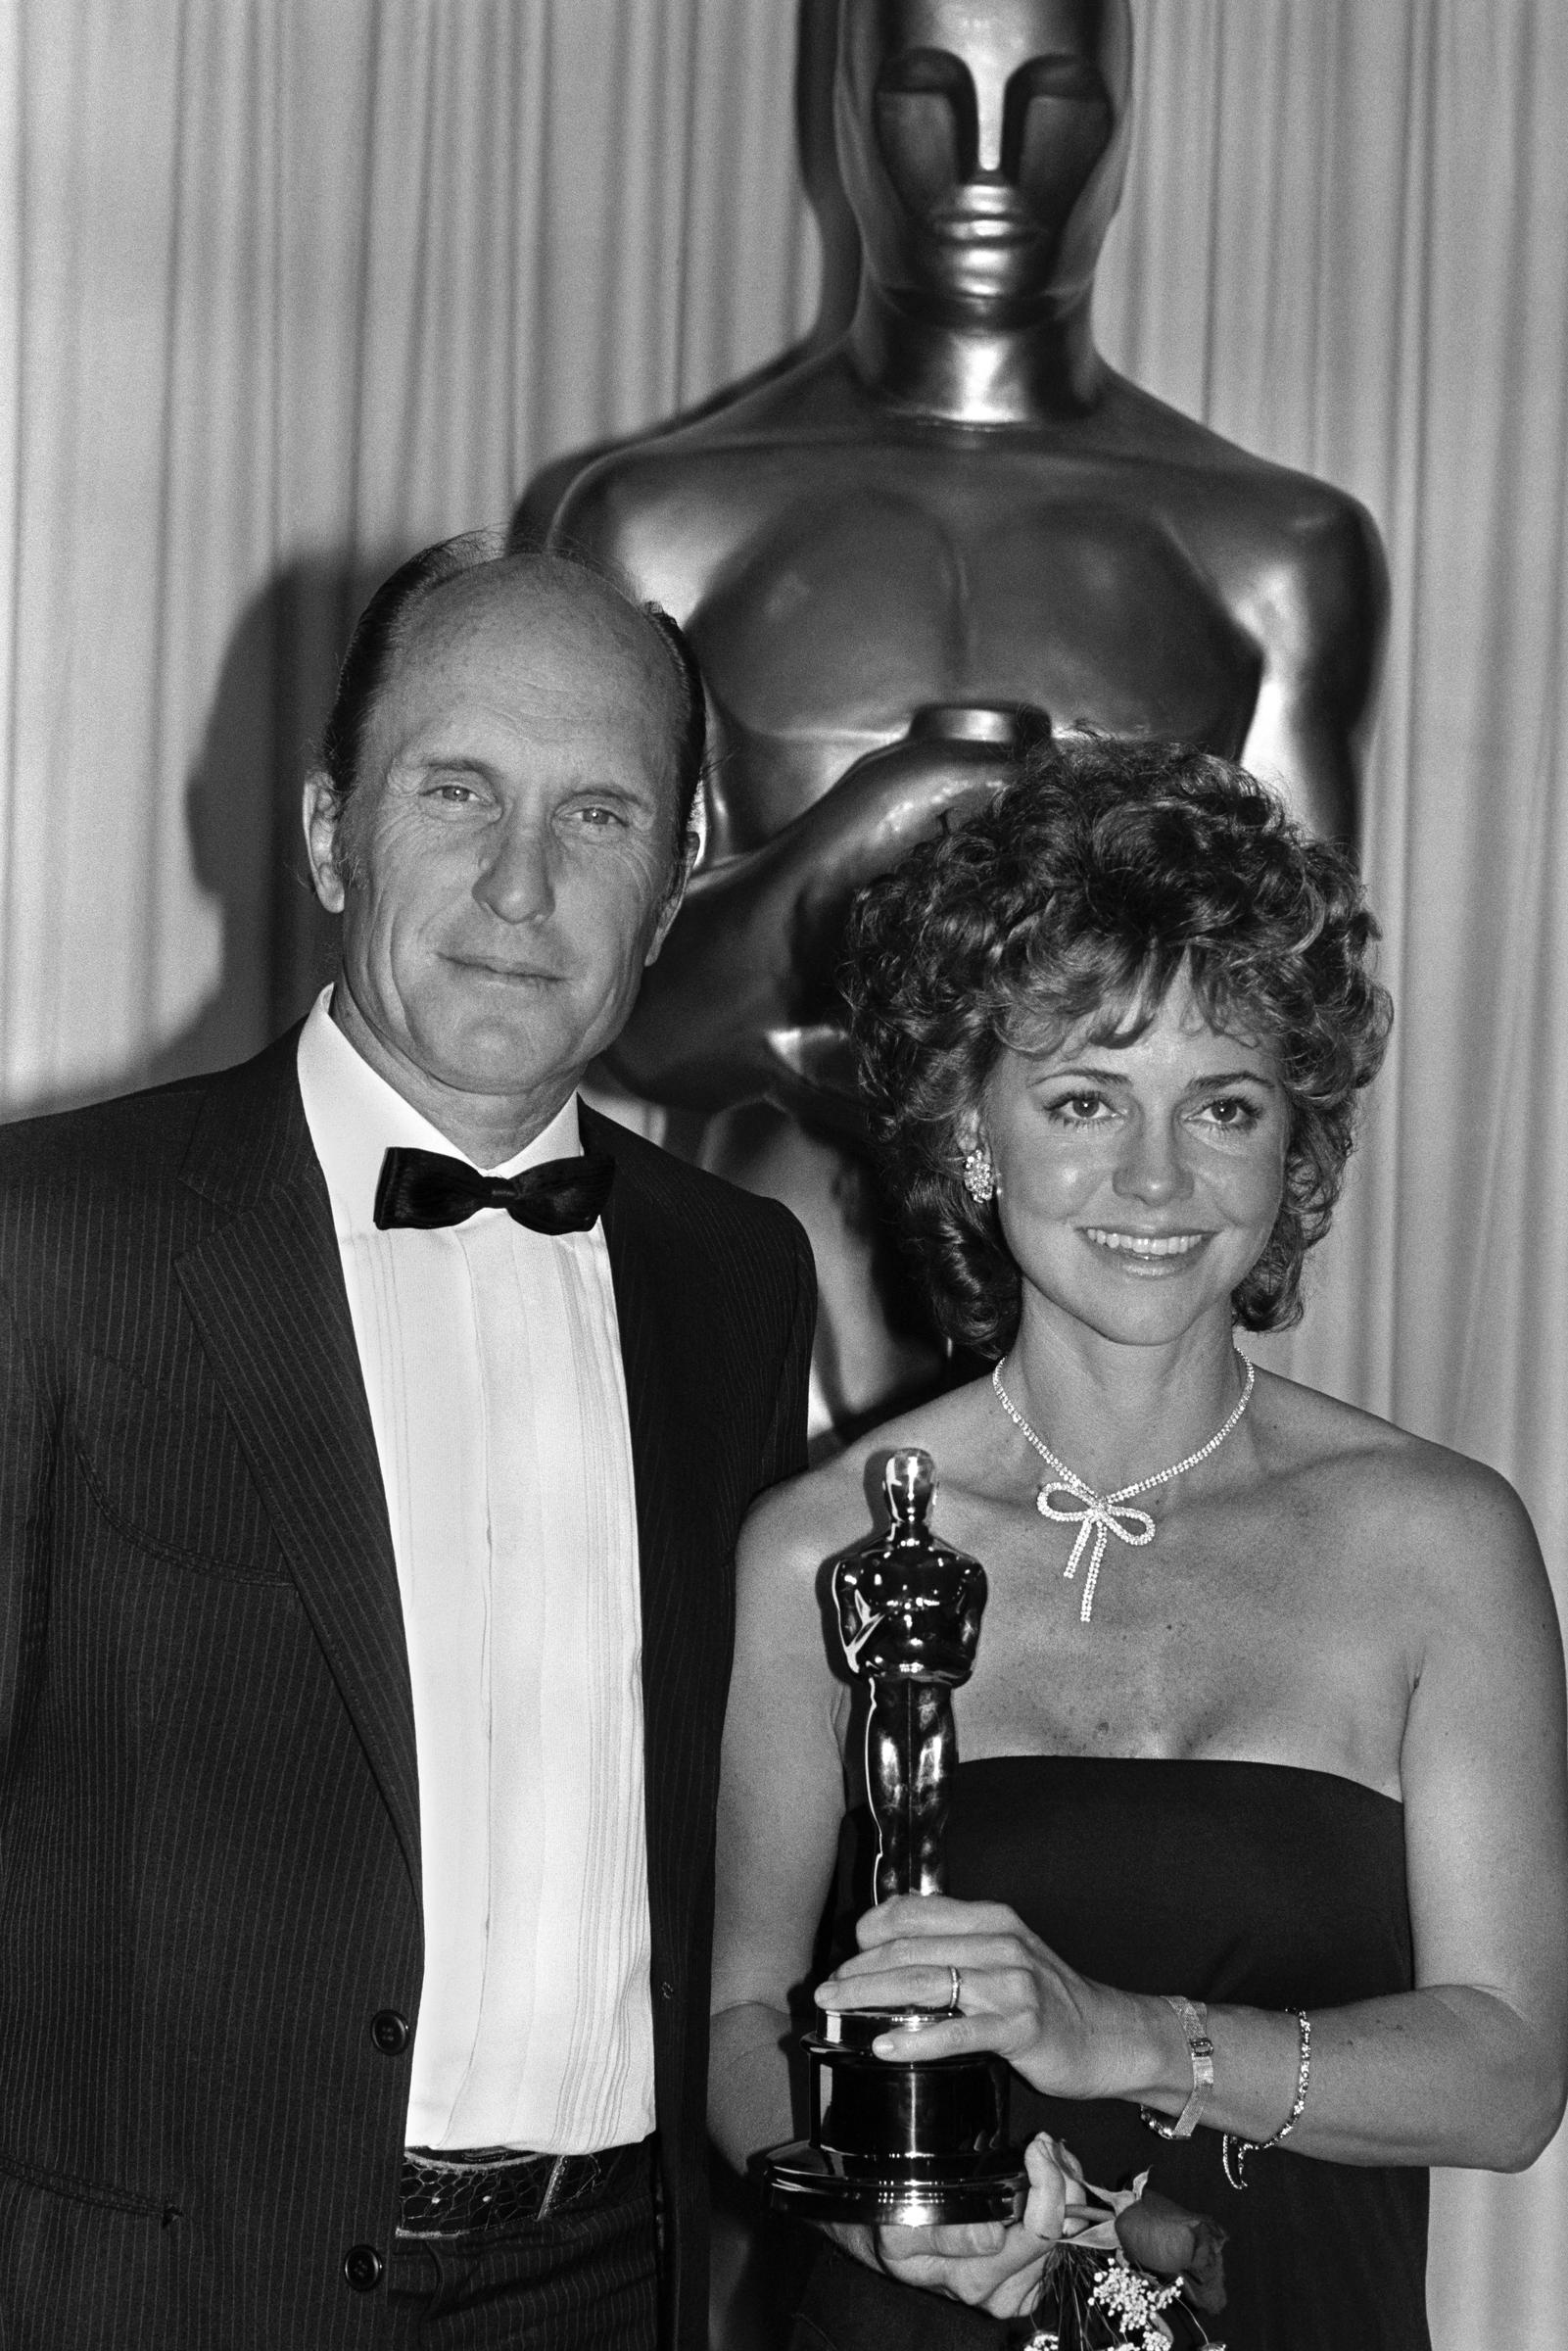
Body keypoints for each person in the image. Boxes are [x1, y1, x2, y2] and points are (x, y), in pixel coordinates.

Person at [0, 538, 814, 2350]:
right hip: (142, 2300)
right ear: (325, 833)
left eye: (599, 814)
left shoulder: (739, 1280)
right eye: (456, 791)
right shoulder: (49, 1240)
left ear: (677, 877)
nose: (521, 885)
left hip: (607, 2291)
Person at [710, 740, 1568, 2351]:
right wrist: (880, 2216)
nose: (1156, 1180)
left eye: (1221, 1104)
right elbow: (735, 2018)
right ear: (973, 1127)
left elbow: (1511, 2074)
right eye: (1085, 1099)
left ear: (1291, 1147)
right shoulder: (814, 1551)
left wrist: (1130, 2038)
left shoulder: (1438, 1542)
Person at [549, 0, 1388, 1433]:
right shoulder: (664, 524)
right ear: (842, 114)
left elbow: (1287, 1057)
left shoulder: (1273, 551)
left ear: (1120, 128)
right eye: (925, 95)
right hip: (768, 1309)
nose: (986, 164)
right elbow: (608, 1011)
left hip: (1117, 1322)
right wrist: (852, 841)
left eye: (1049, 100)